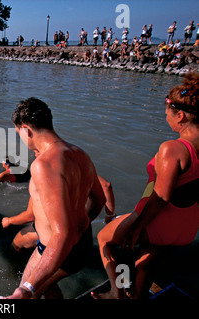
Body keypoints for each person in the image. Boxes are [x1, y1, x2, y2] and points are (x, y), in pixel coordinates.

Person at [92, 73, 199, 299]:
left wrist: (137, 226)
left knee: (105, 239)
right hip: (188, 225)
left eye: (167, 115)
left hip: (158, 219)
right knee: (144, 261)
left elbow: (160, 197)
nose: (166, 119)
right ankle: (137, 296)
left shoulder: (174, 149)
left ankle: (116, 290)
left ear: (180, 116)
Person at [5, 98, 106, 299]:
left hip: (58, 248)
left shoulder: (43, 165)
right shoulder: (80, 154)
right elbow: (99, 199)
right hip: (81, 241)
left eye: (19, 134)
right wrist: (80, 225)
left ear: (26, 129)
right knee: (44, 286)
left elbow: (63, 235)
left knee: (28, 292)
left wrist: (26, 289)